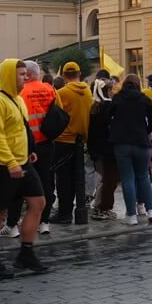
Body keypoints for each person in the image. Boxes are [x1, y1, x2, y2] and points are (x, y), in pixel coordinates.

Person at [0, 58, 48, 279]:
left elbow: (21, 128)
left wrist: (29, 149)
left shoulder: (17, 100)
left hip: (22, 162)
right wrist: (11, 162)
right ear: (10, 76)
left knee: (38, 202)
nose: (25, 77)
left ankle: (25, 253)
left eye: (26, 74)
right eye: (21, 74)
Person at [108, 73, 152, 225]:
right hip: (141, 142)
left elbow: (108, 117)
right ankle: (151, 210)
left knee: (127, 179)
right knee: (144, 177)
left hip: (121, 143)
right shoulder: (144, 99)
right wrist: (144, 131)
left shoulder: (117, 99)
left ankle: (131, 215)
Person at [19, 60, 61, 235]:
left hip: (28, 146)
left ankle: (28, 218)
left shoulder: (22, 92)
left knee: (27, 185)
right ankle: (44, 221)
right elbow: (60, 112)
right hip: (48, 143)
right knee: (47, 182)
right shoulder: (50, 89)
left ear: (27, 74)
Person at [51, 62, 92, 224]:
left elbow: (55, 117)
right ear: (79, 73)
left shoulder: (61, 93)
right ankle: (78, 209)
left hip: (63, 140)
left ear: (63, 76)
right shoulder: (88, 91)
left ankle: (64, 213)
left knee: (63, 180)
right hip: (81, 140)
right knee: (78, 178)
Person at [88, 77, 119, 218]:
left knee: (105, 178)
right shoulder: (108, 107)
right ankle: (100, 207)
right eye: (111, 89)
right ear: (106, 91)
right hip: (107, 149)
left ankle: (100, 206)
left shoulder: (95, 106)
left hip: (95, 148)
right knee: (108, 179)